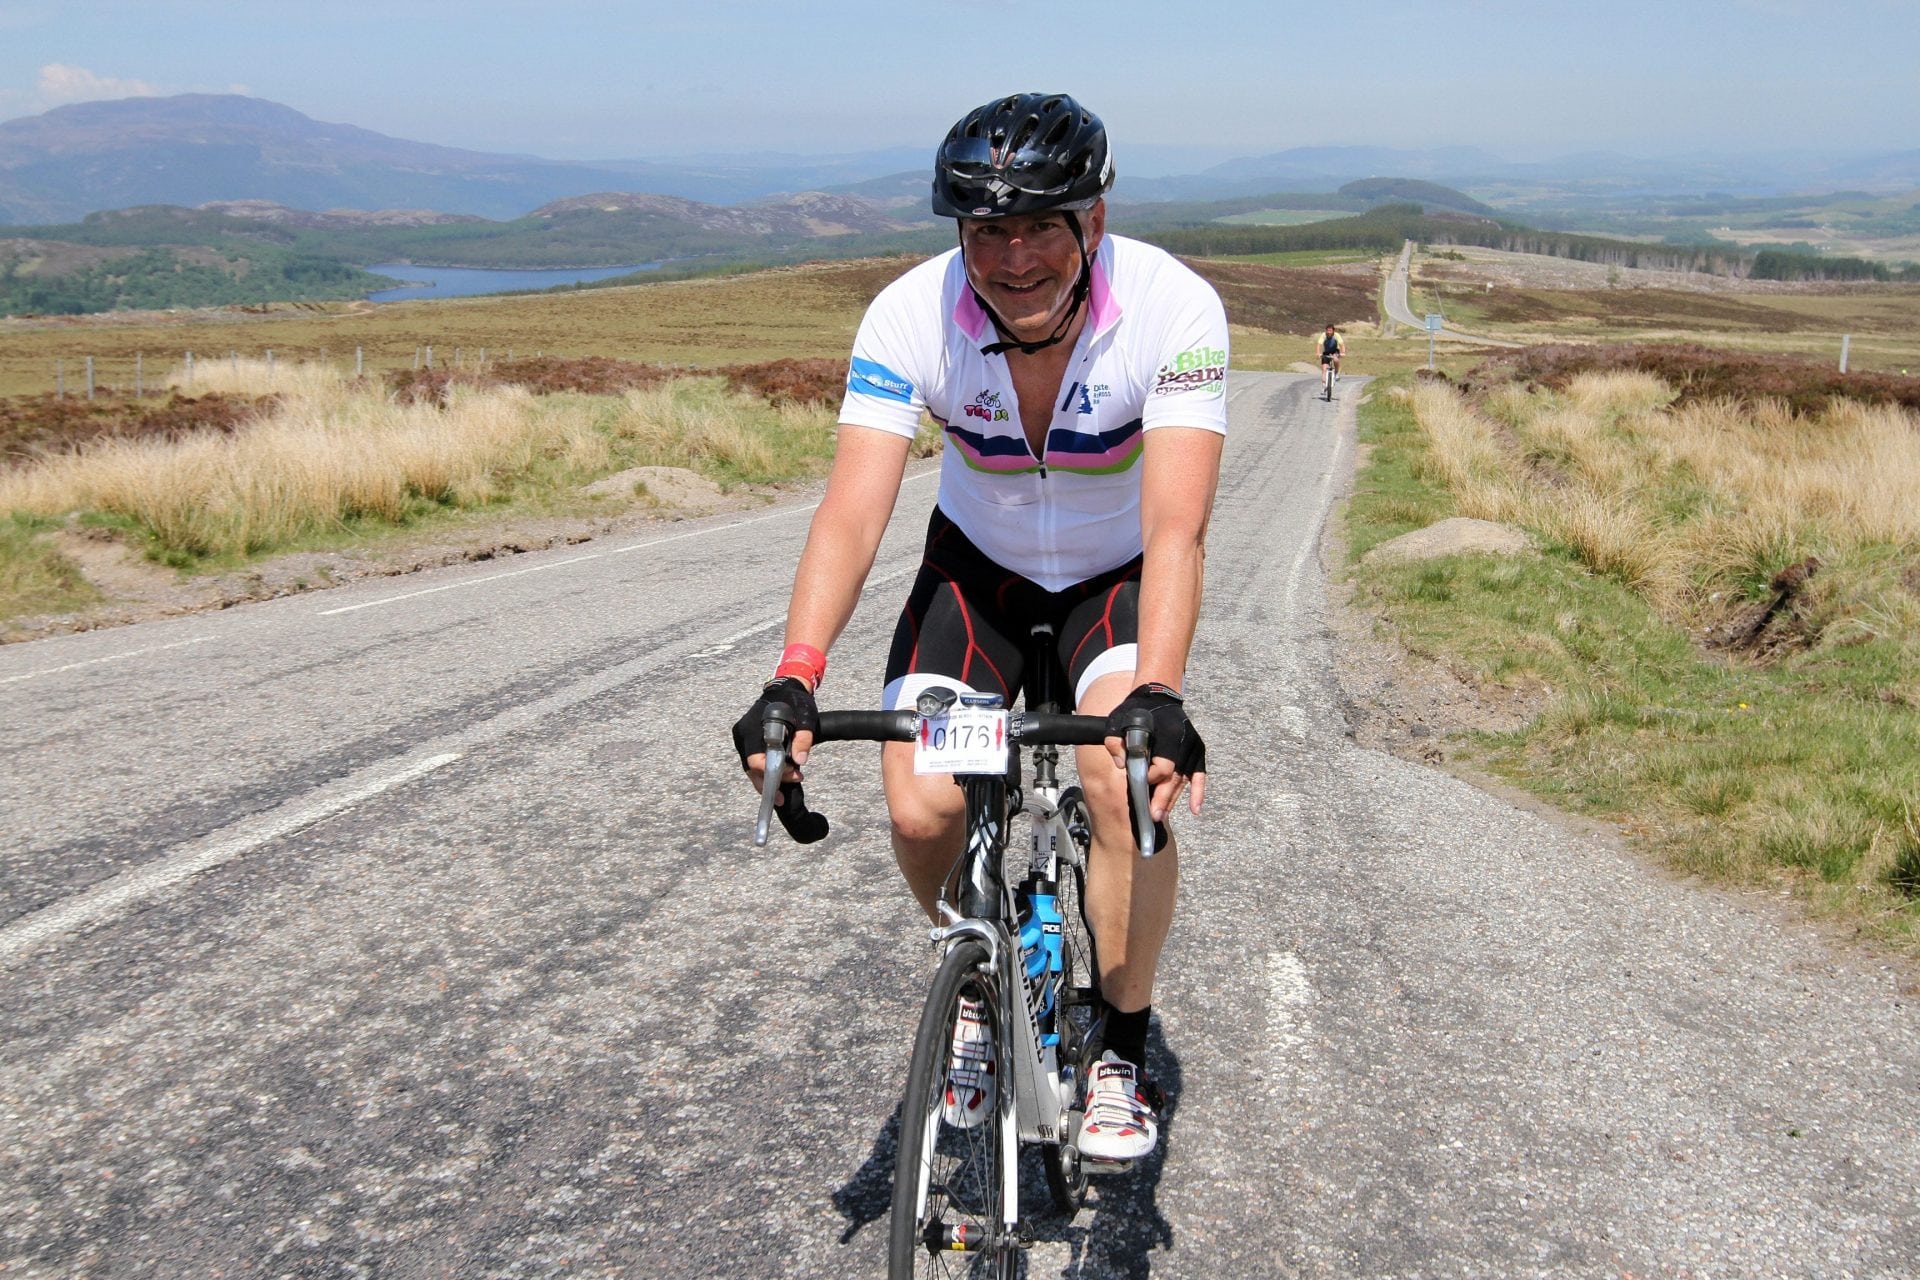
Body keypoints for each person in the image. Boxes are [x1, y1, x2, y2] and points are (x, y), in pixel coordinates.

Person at [733, 92, 1228, 1163]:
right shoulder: (908, 316)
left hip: (1115, 584)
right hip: (978, 585)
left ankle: (1121, 1044)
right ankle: (973, 968)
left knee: (1118, 779)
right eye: (985, 231)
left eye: (1039, 224)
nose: (1012, 258)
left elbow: (1178, 525)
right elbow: (854, 511)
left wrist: (1161, 695)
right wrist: (796, 673)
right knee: (917, 804)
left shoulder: (1173, 308)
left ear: (1093, 220)